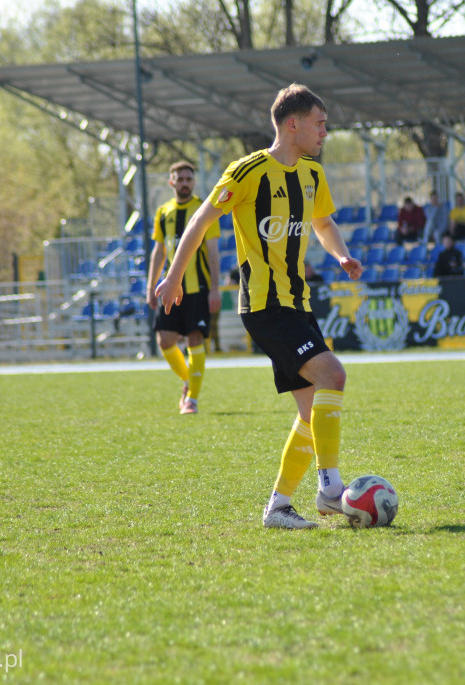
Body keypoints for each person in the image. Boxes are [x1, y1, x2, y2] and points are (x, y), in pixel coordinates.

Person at [155, 83, 363, 530]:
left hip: (297, 304)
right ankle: (330, 488)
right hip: (266, 307)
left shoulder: (311, 175)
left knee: (311, 413)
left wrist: (340, 253)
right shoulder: (248, 171)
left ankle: (278, 508)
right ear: (293, 125)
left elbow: (323, 223)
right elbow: (201, 219)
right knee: (334, 375)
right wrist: (173, 275)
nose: (326, 132)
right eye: (320, 124)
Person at [146, 160, 221, 415]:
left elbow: (213, 252)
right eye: (180, 179)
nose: (185, 183)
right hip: (170, 287)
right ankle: (189, 379)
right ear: (172, 182)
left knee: (195, 339)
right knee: (165, 341)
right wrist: (150, 286)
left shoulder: (204, 208)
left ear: (193, 182)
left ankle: (192, 400)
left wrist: (214, 289)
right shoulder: (163, 212)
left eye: (189, 179)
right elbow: (159, 251)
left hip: (198, 287)